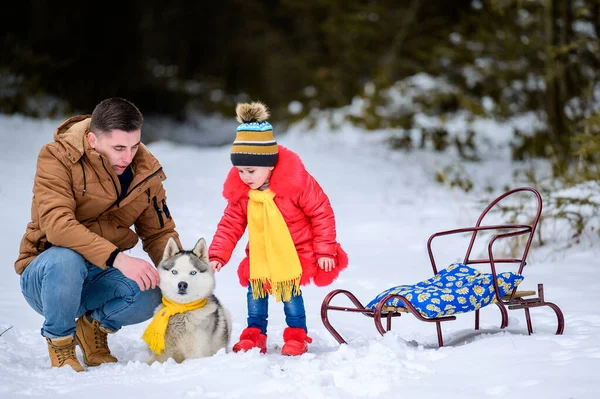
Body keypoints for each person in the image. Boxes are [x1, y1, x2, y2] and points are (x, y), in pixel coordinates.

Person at [15, 97, 181, 371]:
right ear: (92, 140)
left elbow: (159, 232)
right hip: (48, 277)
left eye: (134, 146)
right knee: (66, 258)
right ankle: (61, 342)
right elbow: (58, 225)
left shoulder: (144, 170)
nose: (128, 157)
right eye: (118, 148)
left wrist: (180, 275)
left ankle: (92, 328)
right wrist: (119, 259)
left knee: (155, 291)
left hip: (98, 275)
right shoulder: (56, 157)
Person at [209, 101, 348, 356]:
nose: (245, 177)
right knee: (255, 296)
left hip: (291, 254)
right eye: (239, 171)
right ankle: (255, 333)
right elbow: (230, 223)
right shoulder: (243, 193)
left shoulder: (297, 183)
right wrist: (217, 255)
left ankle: (297, 334)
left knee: (291, 297)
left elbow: (322, 212)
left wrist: (325, 250)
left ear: (270, 165)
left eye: (250, 170)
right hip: (260, 255)